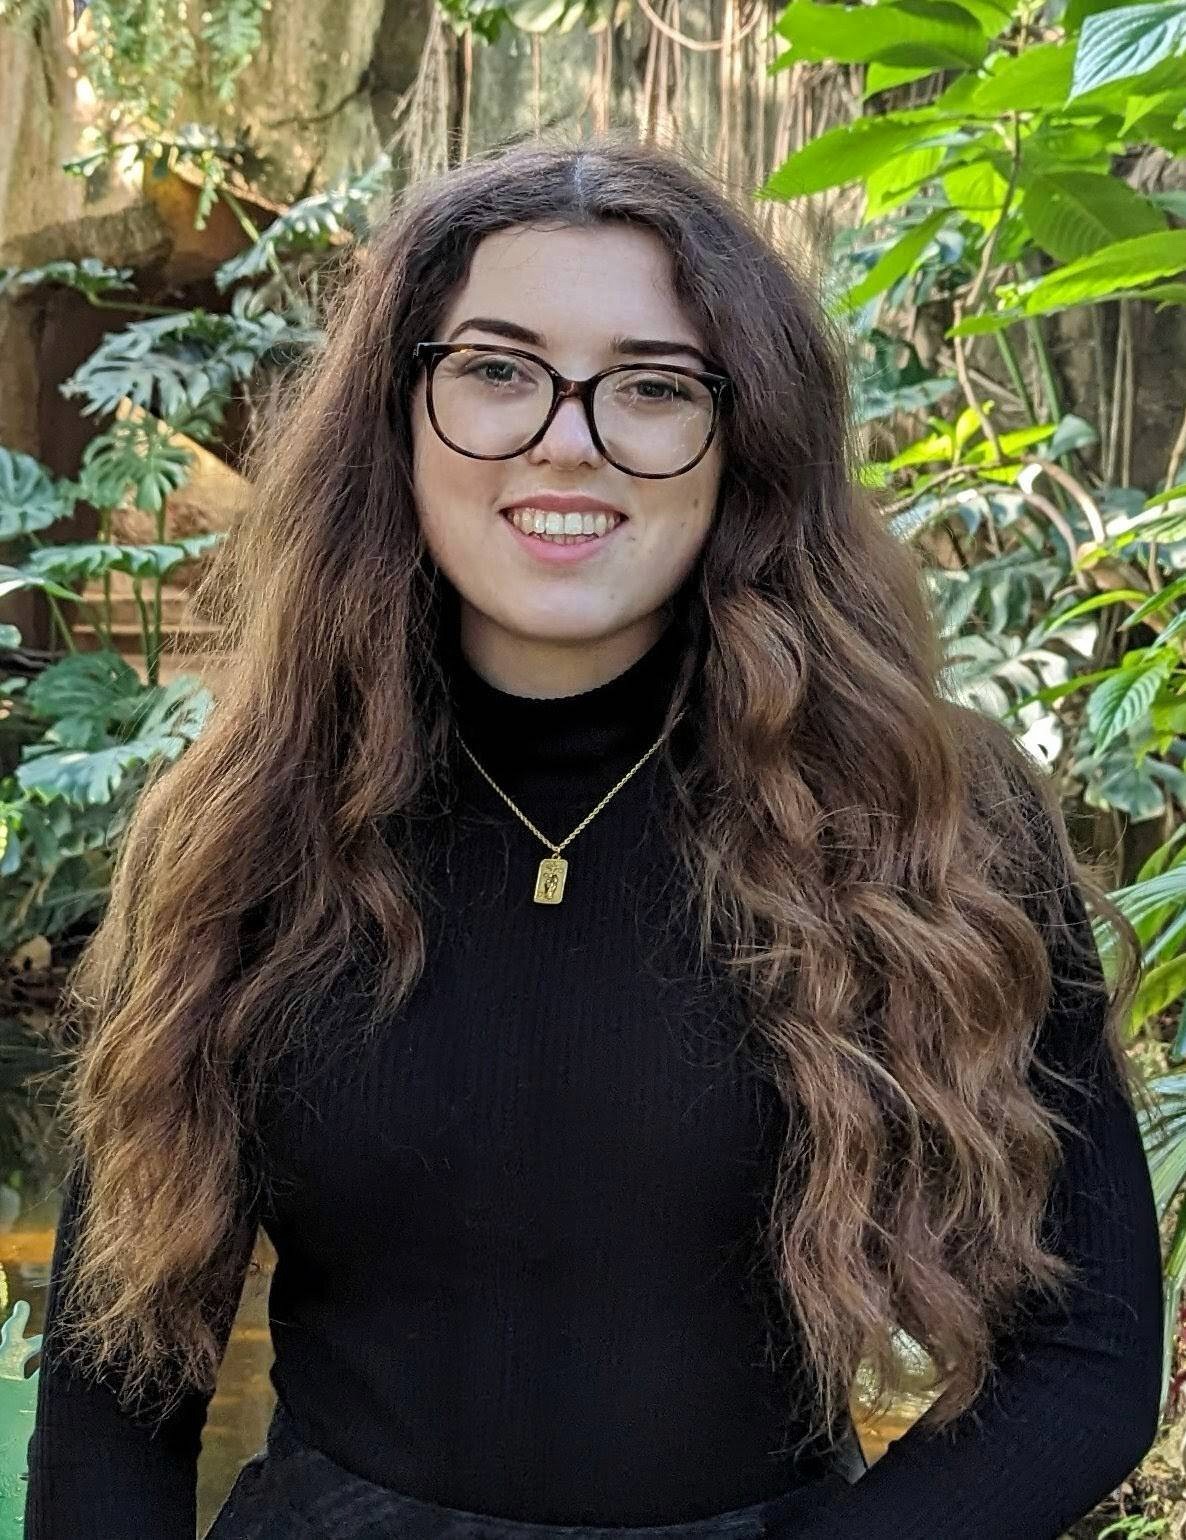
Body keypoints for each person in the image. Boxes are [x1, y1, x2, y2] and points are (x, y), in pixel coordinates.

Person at [24, 132, 1164, 1540]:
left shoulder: (923, 819)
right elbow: (118, 1363)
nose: (567, 439)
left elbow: (1084, 1355)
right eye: (497, 371)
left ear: (744, 438)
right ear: (397, 414)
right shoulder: (242, 823)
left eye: (653, 386)